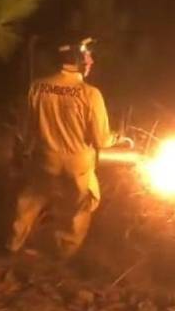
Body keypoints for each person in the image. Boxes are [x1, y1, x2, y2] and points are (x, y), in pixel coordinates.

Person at [7, 37, 131, 258]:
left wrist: (22, 153)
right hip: (77, 166)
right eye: (88, 57)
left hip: (44, 160)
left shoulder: (37, 86)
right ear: (78, 60)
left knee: (28, 203)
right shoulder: (90, 94)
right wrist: (118, 138)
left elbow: (25, 129)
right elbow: (101, 140)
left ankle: (13, 244)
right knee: (78, 210)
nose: (91, 61)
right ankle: (63, 252)